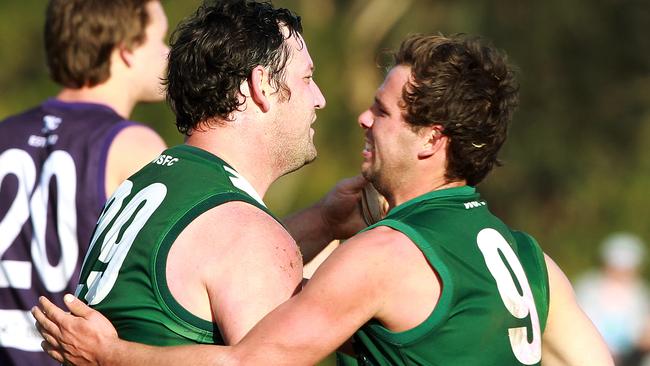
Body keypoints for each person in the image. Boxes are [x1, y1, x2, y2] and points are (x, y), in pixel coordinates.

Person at [34, 34, 614, 365]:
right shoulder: (531, 260)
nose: (362, 118)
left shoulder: (385, 257)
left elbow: (250, 362)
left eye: (383, 113)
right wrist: (325, 221)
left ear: (433, 141)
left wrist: (110, 354)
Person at [0, 0, 168, 364]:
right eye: (160, 40)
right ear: (125, 50)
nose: (167, 53)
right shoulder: (133, 146)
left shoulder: (5, 134)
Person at [575, 232, 650, 364]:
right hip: (591, 352)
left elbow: (643, 331)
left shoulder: (640, 292)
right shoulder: (588, 287)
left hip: (631, 356)